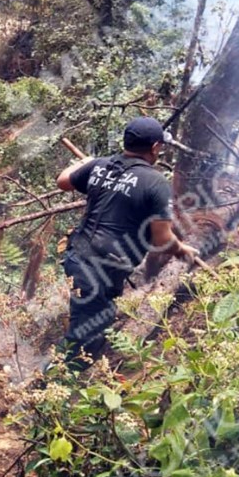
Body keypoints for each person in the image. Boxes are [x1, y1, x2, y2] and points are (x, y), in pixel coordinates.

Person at [55, 117, 199, 365]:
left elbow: (63, 181)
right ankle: (48, 390)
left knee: (95, 321)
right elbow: (162, 239)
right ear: (155, 147)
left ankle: (62, 376)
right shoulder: (155, 182)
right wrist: (182, 249)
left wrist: (86, 163)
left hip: (78, 258)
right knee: (85, 342)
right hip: (99, 268)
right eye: (160, 147)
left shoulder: (100, 166)